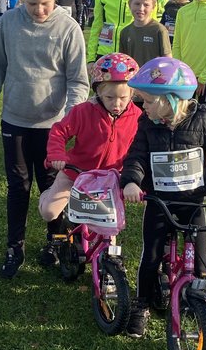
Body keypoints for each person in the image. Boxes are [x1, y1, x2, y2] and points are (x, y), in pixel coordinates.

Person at [121, 57, 206, 337]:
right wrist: (131, 182)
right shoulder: (147, 123)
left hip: (192, 201)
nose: (143, 106)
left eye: (148, 100)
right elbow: (137, 156)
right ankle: (141, 303)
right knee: (151, 256)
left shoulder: (203, 119)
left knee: (200, 259)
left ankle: (203, 298)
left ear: (171, 99)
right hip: (159, 201)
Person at [0, 0, 89, 279]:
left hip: (53, 126)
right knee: (18, 187)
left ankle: (56, 242)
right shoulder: (9, 24)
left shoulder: (68, 29)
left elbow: (78, 81)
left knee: (51, 187)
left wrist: (69, 120)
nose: (40, 10)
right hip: (14, 120)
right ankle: (14, 247)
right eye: (32, 4)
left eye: (45, 3)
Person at [37, 53, 142, 264]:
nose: (117, 103)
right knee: (49, 211)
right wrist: (57, 155)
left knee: (108, 231)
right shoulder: (83, 111)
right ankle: (48, 195)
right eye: (110, 97)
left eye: (123, 97)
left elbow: (143, 148)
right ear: (98, 92)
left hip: (109, 180)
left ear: (132, 93)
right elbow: (59, 131)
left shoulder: (138, 117)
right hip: (75, 173)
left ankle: (107, 271)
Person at [118, 0, 171, 68]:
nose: (141, 8)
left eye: (146, 5)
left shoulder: (159, 30)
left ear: (153, 6)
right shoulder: (125, 32)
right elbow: (122, 63)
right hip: (132, 80)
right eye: (137, 4)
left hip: (153, 80)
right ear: (129, 4)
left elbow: (168, 62)